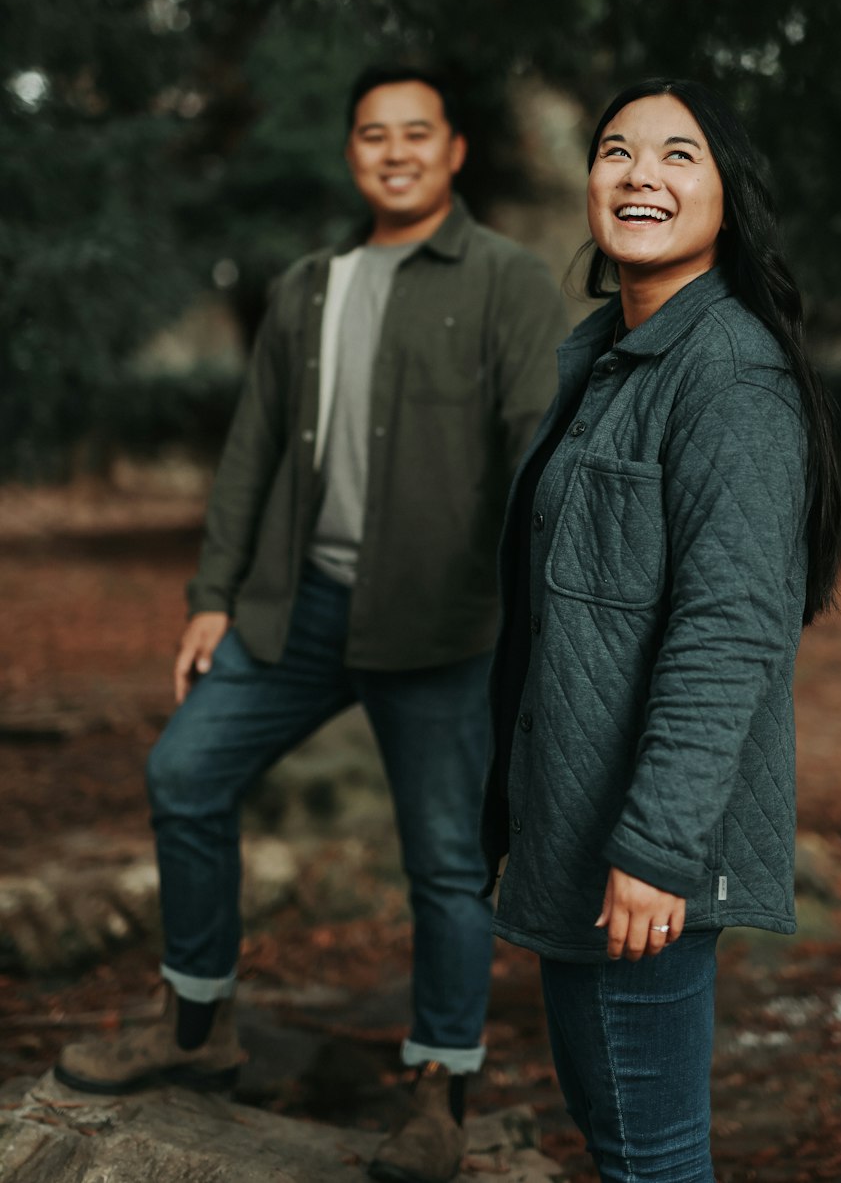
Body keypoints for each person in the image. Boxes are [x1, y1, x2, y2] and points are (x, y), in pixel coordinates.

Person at [56, 65, 566, 1183]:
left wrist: (539, 622)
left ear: (453, 151)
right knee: (184, 773)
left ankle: (443, 1094)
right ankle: (198, 1028)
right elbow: (250, 454)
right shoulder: (307, 287)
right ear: (352, 154)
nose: (394, 151)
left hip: (439, 624)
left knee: (443, 860)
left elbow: (537, 453)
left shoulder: (506, 283)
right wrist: (209, 597)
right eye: (372, 134)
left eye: (415, 133)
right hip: (298, 610)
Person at [481, 78, 841, 1183]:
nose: (640, 175)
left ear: (727, 199)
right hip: (577, 827)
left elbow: (732, 632)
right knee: (619, 1143)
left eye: (679, 155)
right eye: (616, 151)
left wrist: (654, 849)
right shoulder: (609, 359)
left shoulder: (728, 372)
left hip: (645, 854)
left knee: (653, 1158)